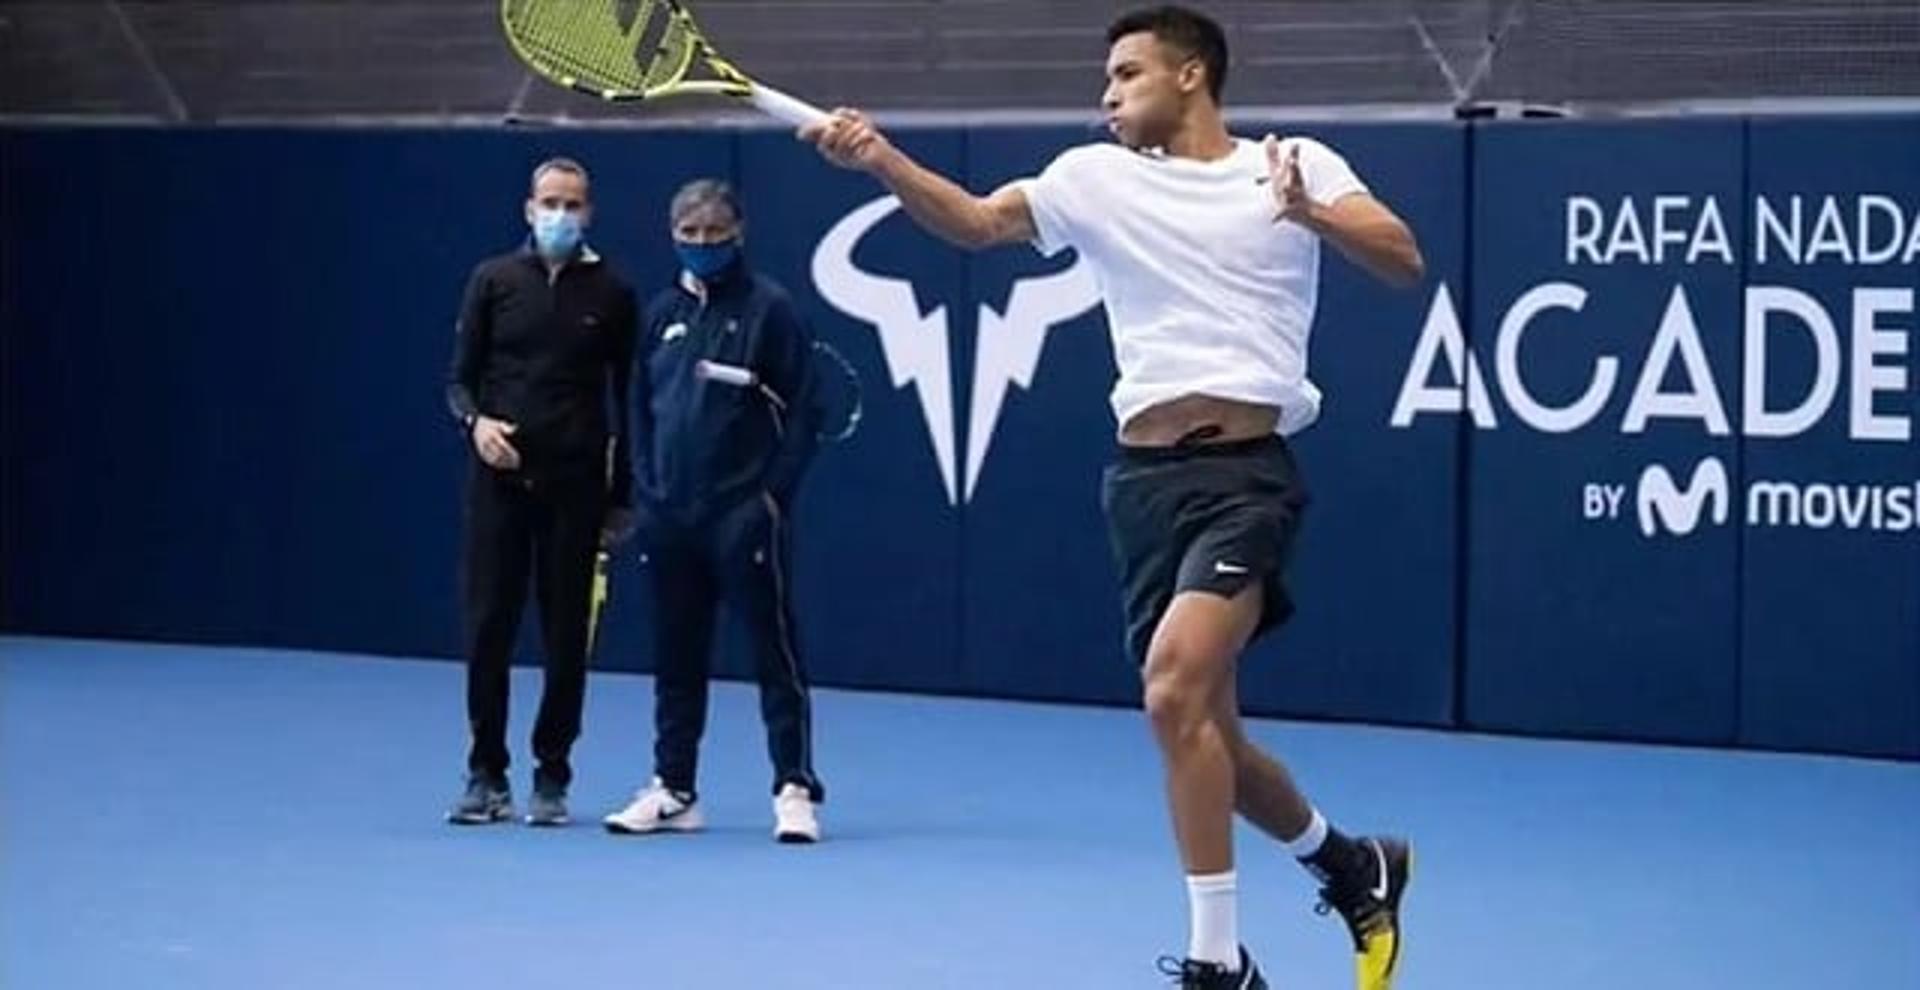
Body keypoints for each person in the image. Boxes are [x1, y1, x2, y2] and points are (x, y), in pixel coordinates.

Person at [801, 5, 1426, 986]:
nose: (1107, 95)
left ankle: (1220, 964)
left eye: (1126, 74)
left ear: (1190, 75)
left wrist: (1311, 212)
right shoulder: (1091, 180)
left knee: (1171, 690)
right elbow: (974, 222)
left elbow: (1400, 256)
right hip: (1140, 486)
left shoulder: (1290, 163)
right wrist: (879, 156)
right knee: (1206, 732)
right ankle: (1353, 864)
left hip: (1245, 479)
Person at [601, 179, 827, 844]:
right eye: (689, 233)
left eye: (714, 234)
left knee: (773, 651)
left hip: (741, 514)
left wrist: (768, 498)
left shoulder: (771, 310)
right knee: (676, 655)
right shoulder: (660, 312)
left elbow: (804, 415)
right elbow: (640, 410)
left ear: (739, 234)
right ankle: (675, 788)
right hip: (669, 516)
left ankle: (794, 787)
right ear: (673, 234)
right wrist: (644, 488)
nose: (702, 244)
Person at [444, 156, 638, 828]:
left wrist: (623, 496)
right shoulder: (492, 281)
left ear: (589, 213)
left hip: (577, 487)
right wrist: (477, 425)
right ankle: (485, 772)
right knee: (490, 626)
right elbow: (458, 382)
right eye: (550, 202)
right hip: (499, 484)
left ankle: (552, 774)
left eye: (573, 204)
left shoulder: (613, 293)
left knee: (564, 636)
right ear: (529, 209)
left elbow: (627, 397)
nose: (561, 214)